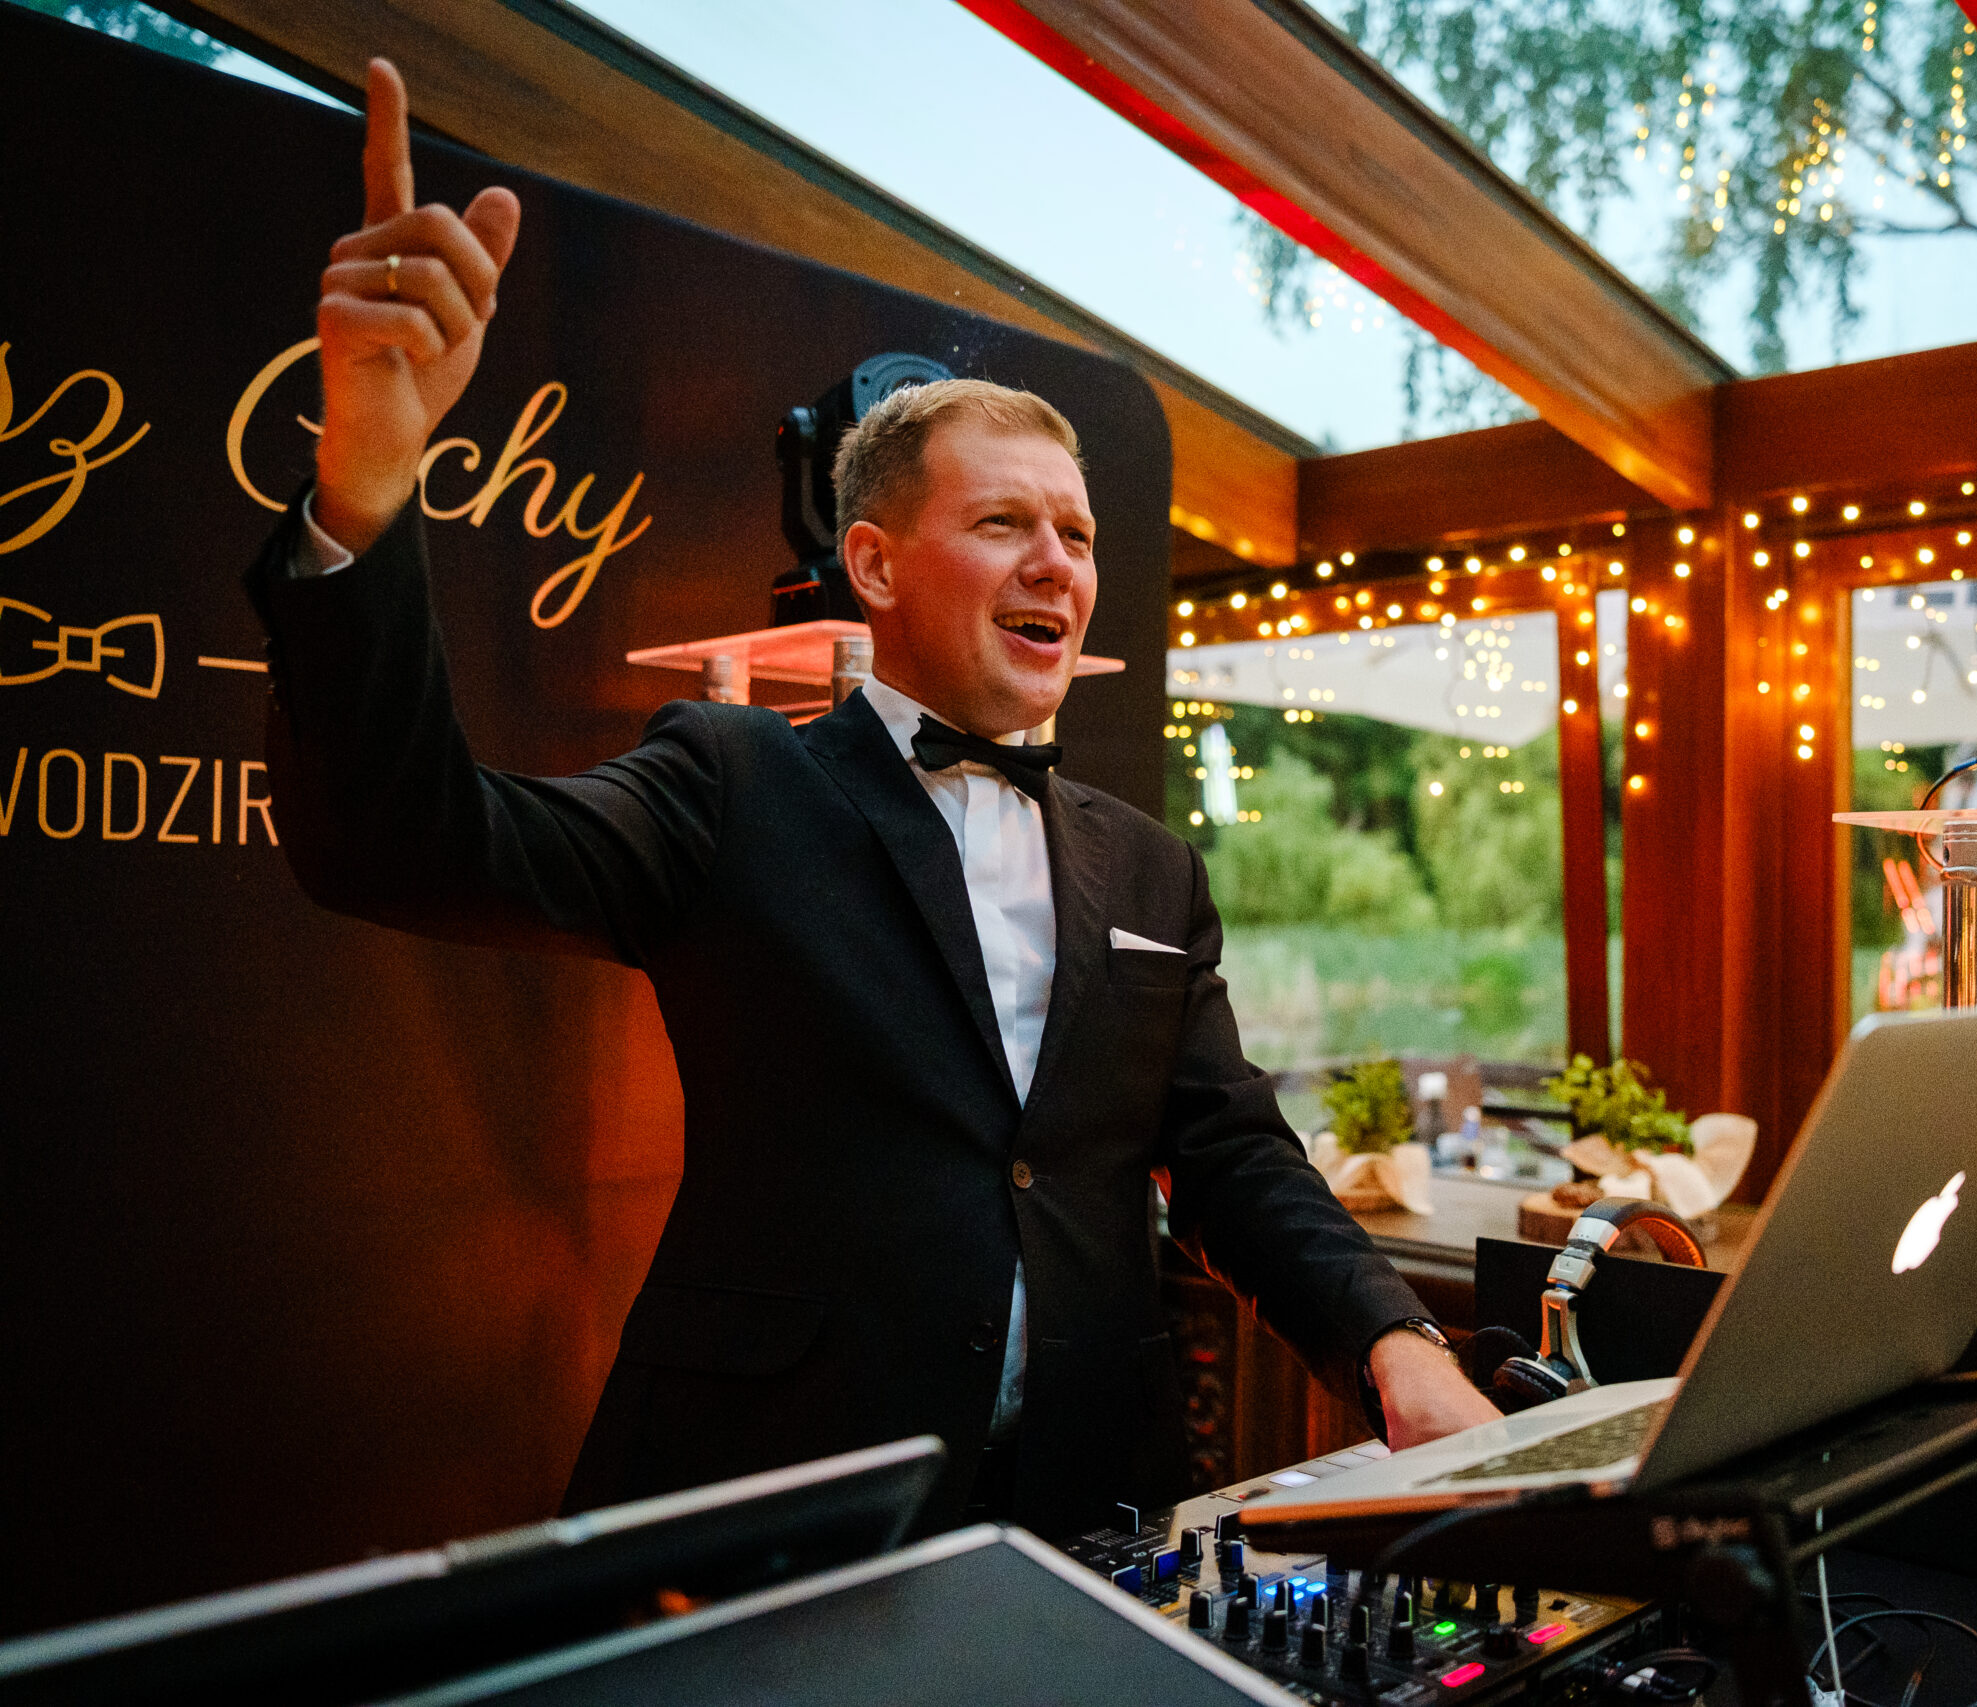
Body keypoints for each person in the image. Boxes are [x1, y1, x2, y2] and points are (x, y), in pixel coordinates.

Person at [245, 60, 1499, 1535]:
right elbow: (405, 842)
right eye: (1004, 521)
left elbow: (1230, 1153)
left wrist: (1397, 1344)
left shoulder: (1152, 868)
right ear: (876, 565)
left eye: (1079, 533)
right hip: (779, 1499)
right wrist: (365, 484)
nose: (1058, 563)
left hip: (1087, 1501)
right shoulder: (734, 780)